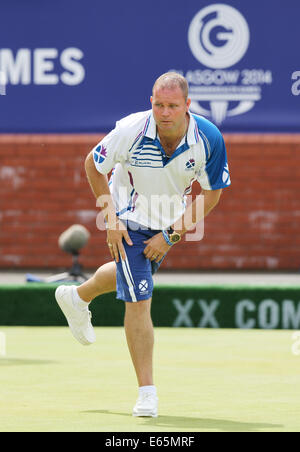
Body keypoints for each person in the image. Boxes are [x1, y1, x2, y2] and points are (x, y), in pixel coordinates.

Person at [55, 72, 231, 418]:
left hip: (166, 222)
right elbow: (93, 164)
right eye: (159, 104)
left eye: (173, 106)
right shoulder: (131, 130)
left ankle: (76, 297)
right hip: (128, 218)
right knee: (140, 300)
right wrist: (111, 219)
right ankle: (147, 393)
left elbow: (212, 194)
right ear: (151, 102)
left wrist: (169, 236)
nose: (165, 112)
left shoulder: (208, 137)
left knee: (133, 276)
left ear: (187, 106)